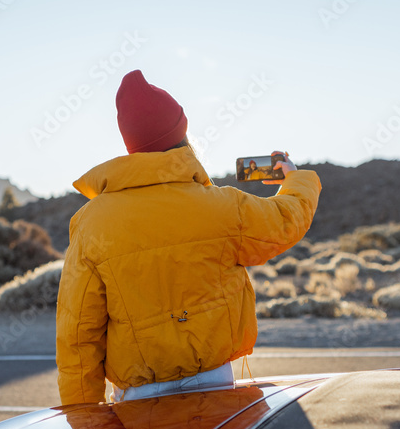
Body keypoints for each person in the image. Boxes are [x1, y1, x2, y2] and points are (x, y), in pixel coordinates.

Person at [56, 69, 321, 406]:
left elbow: (78, 336)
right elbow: (287, 220)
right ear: (182, 136)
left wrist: (82, 416)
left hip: (138, 399)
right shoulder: (221, 206)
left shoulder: (92, 223)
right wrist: (294, 179)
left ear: (131, 145)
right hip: (216, 383)